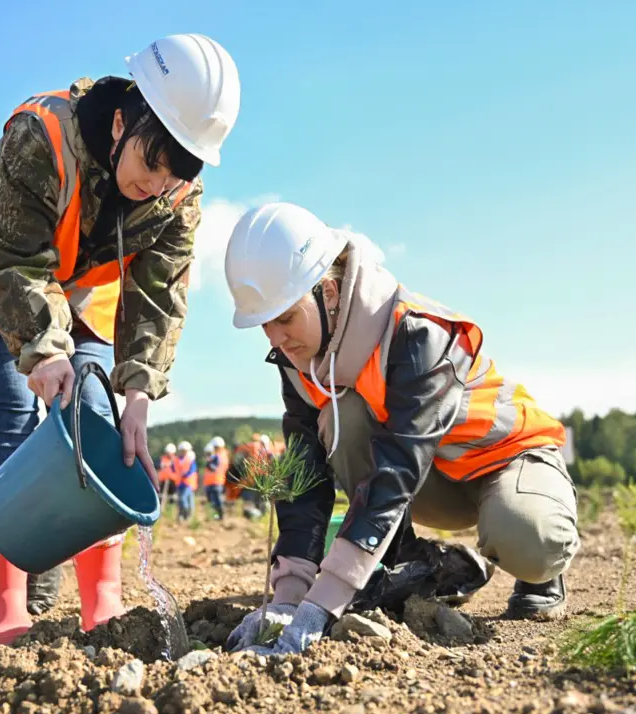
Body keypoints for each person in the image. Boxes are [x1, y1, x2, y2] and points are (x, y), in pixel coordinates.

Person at [0, 34, 240, 647]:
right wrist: (42, 349)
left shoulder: (177, 192)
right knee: (11, 409)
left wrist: (140, 393)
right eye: (151, 163)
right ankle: (4, 605)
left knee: (96, 416)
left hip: (80, 287)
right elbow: (14, 261)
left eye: (177, 172)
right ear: (123, 120)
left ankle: (104, 604)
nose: (158, 183)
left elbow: (158, 295)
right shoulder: (40, 134)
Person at [221, 202, 581, 655]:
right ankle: (409, 564)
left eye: (285, 317)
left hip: (504, 458)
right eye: (263, 325)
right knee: (342, 415)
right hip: (431, 482)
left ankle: (543, 568)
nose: (275, 337)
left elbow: (397, 468)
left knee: (527, 536)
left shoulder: (416, 333)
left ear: (328, 293)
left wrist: (324, 602)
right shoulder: (301, 361)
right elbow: (305, 477)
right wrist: (289, 597)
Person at [202, 438, 227, 520]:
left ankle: (220, 515)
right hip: (210, 482)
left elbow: (214, 468)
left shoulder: (220, 456)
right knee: (212, 500)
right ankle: (216, 515)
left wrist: (208, 462)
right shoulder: (216, 456)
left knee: (217, 500)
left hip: (217, 481)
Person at [175, 441, 198, 521]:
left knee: (184, 499)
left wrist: (185, 474)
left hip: (188, 483)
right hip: (179, 483)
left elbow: (192, 470)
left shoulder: (190, 460)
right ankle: (182, 515)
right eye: (182, 450)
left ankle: (187, 514)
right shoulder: (177, 460)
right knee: (180, 500)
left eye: (185, 451)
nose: (183, 452)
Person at [158, 442, 179, 509]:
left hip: (173, 480)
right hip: (163, 480)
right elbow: (157, 465)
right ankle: (160, 508)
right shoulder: (162, 458)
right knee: (161, 495)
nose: (168, 454)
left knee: (172, 496)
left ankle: (171, 508)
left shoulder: (176, 459)